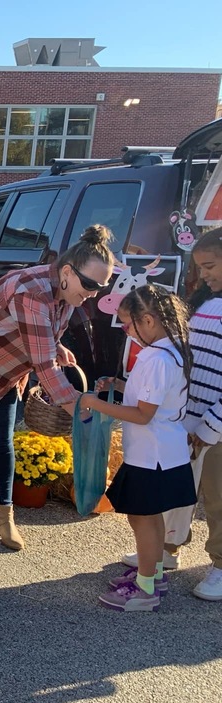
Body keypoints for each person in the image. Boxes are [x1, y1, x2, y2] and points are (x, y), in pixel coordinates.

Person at [0, 224, 115, 550]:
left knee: (1, 443)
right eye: (89, 284)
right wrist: (78, 412)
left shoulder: (68, 292)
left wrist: (56, 346)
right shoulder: (31, 291)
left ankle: (2, 516)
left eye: (101, 287)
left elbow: (44, 337)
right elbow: (44, 365)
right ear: (68, 272)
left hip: (3, 372)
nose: (92, 293)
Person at [80, 284, 196, 611]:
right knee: (147, 516)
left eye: (128, 324)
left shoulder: (156, 357)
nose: (125, 330)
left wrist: (94, 402)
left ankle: (146, 590)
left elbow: (144, 414)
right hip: (162, 452)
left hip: (152, 454)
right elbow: (151, 398)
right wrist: (118, 385)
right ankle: (153, 574)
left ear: (147, 320)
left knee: (142, 518)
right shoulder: (173, 350)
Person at [120, 227, 222, 599]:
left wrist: (211, 428)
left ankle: (221, 564)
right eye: (201, 267)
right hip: (189, 421)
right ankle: (166, 551)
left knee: (217, 497)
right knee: (179, 496)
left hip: (214, 426)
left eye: (210, 266)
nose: (205, 274)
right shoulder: (206, 303)